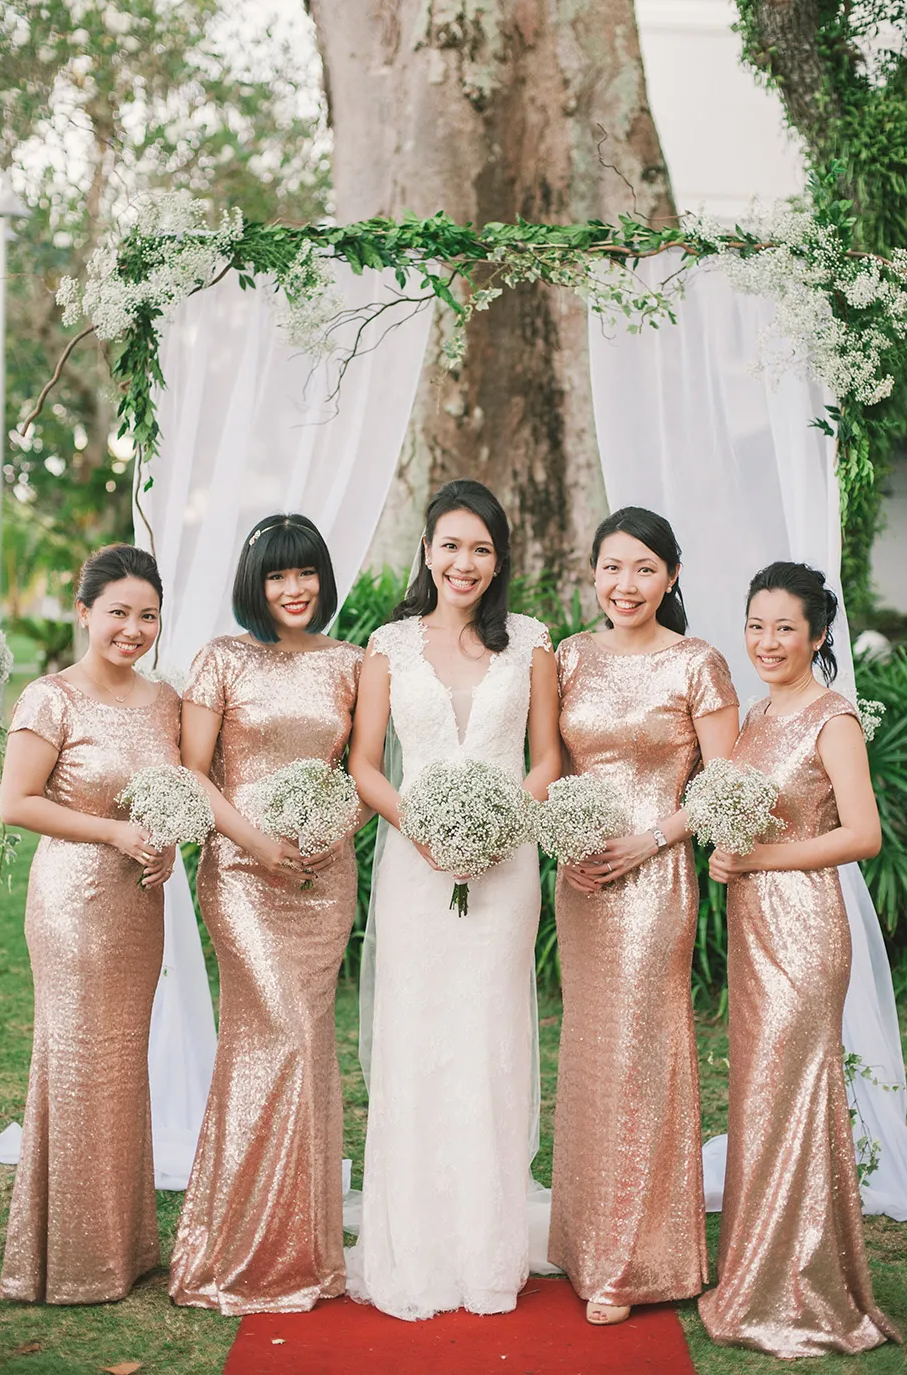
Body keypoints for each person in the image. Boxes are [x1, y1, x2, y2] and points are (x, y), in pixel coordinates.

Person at [346, 479, 560, 1320]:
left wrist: (506, 819)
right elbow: (366, 763)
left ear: (498, 558)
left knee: (490, 1036)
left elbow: (547, 757)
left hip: (508, 868)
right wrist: (424, 827)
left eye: (481, 547)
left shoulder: (533, 644)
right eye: (450, 545)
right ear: (427, 551)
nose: (463, 562)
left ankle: (487, 1246)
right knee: (418, 1037)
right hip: (415, 864)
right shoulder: (388, 645)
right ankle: (416, 1244)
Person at [698, 562, 900, 1356]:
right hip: (754, 927)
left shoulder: (832, 716)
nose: (767, 640)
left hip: (806, 929)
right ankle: (757, 1273)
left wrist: (759, 860)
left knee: (792, 1093)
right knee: (759, 1094)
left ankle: (800, 1288)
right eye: (756, 624)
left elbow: (862, 833)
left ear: (818, 636)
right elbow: (743, 821)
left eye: (786, 627)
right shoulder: (753, 713)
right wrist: (726, 854)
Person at [548, 507, 739, 1326]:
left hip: (656, 879)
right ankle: (587, 1240)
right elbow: (552, 764)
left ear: (672, 576)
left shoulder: (697, 662)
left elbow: (724, 783)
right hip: (584, 880)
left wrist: (651, 839)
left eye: (644, 569)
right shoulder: (568, 656)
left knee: (643, 1051)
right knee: (591, 1052)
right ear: (593, 572)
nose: (625, 585)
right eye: (612, 567)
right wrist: (566, 840)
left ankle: (633, 1260)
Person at [169, 514, 362, 1315]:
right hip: (244, 873)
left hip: (323, 875)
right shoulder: (220, 658)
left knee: (306, 1043)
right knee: (271, 1032)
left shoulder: (353, 663)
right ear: (257, 583)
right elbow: (193, 771)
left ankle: (302, 1246)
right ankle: (238, 1247)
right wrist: (257, 841)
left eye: (307, 572)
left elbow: (366, 769)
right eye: (279, 576)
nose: (295, 588)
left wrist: (327, 833)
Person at [0, 544, 179, 1304]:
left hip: (141, 901)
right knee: (74, 1065)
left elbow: (168, 790)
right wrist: (112, 834)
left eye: (147, 615)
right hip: (74, 901)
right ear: (84, 613)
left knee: (120, 1064)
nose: (132, 629)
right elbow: (17, 802)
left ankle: (124, 1247)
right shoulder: (51, 697)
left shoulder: (165, 698)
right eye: (118, 613)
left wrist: (164, 841)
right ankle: (68, 1260)